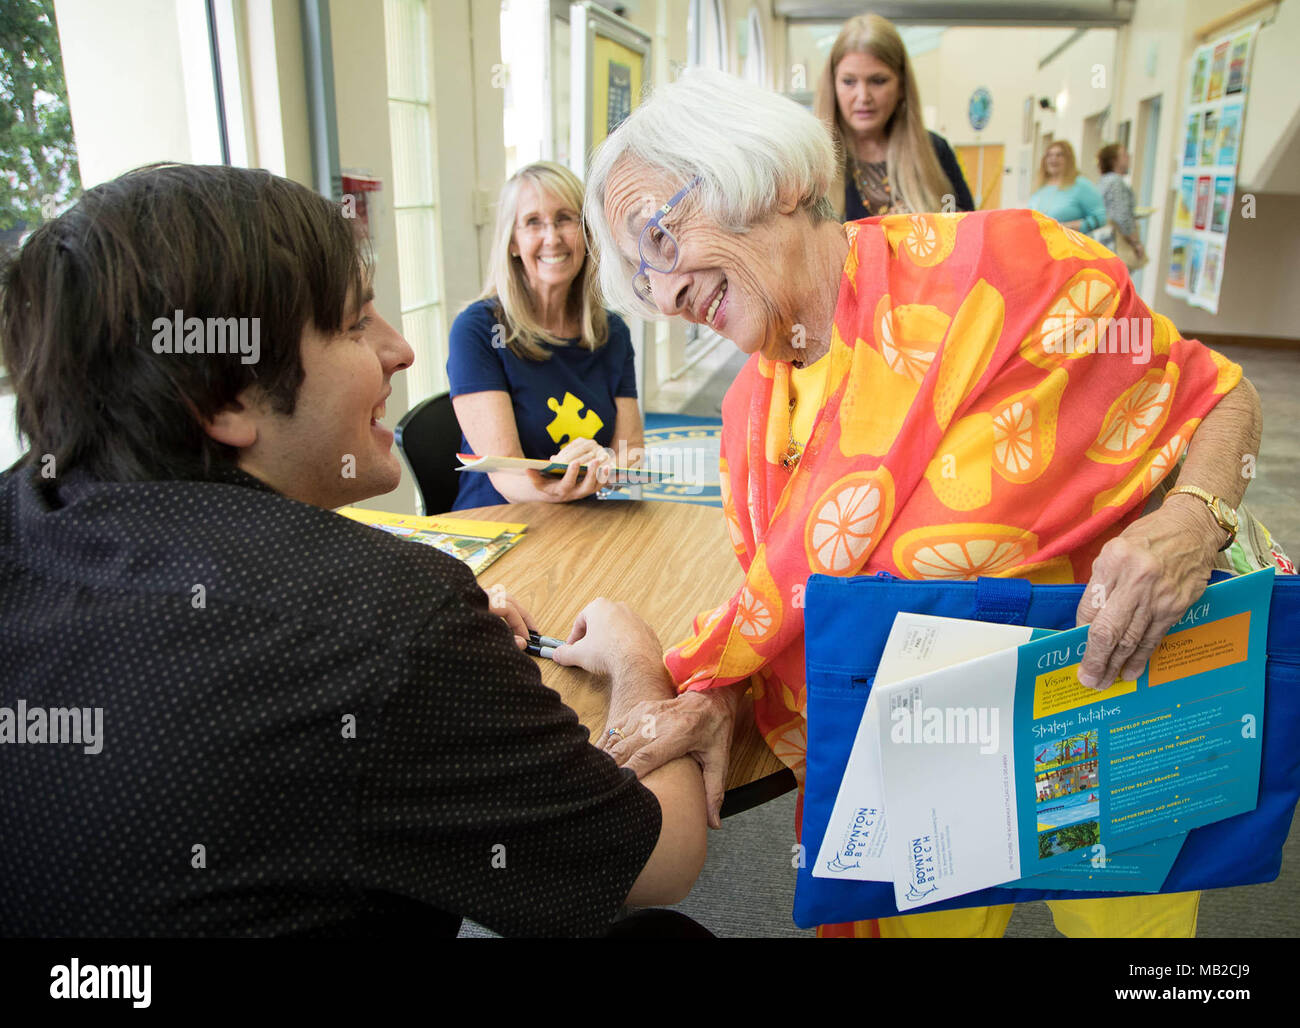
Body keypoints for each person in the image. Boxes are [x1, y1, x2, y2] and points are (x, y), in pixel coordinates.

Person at [583, 68, 1266, 938]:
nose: (667, 295)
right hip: (923, 760)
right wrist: (722, 694)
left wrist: (1189, 522)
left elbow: (1224, 398)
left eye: (659, 237)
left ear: (778, 180)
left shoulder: (1016, 269)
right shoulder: (751, 414)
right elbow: (788, 603)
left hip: (1113, 700)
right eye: (642, 283)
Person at [0, 163, 707, 938]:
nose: (400, 350)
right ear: (225, 398)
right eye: (353, 323)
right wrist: (637, 661)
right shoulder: (390, 619)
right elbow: (662, 857)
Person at [447, 161, 642, 510]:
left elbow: (630, 453)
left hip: (585, 519)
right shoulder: (478, 330)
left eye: (565, 218)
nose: (552, 238)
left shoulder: (612, 333)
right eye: (533, 222)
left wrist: (603, 463)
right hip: (499, 520)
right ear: (512, 243)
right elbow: (505, 471)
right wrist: (557, 485)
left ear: (586, 234)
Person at [814, 13, 974, 220]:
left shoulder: (935, 150)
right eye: (849, 82)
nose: (863, 97)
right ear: (833, 85)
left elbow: (971, 236)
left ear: (901, 85)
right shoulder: (813, 162)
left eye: (878, 81)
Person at [1029, 140, 1107, 234]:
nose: (1053, 159)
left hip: (1070, 245)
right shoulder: (1040, 187)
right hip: (1042, 245)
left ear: (1069, 159)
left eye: (1059, 155)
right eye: (1049, 155)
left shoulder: (1080, 184)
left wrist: (1068, 227)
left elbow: (1101, 217)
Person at [1096, 142, 1146, 269]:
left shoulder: (1104, 180)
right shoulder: (1116, 182)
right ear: (1114, 160)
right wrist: (1135, 242)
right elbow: (1121, 215)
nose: (1128, 158)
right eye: (1124, 155)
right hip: (1116, 242)